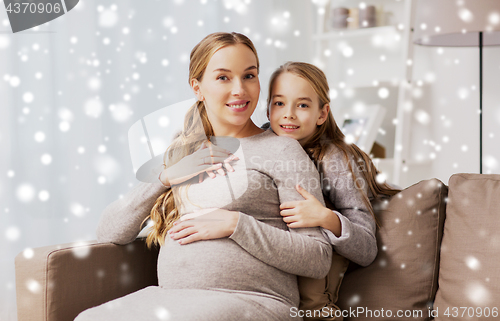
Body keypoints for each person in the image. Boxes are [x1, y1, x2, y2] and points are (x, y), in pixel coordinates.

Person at [74, 33, 332, 321]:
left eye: (249, 75)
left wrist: (236, 224)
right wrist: (165, 178)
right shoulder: (184, 148)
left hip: (254, 300)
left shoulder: (282, 149)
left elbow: (318, 259)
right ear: (197, 87)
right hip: (172, 298)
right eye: (223, 78)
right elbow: (110, 231)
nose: (240, 90)